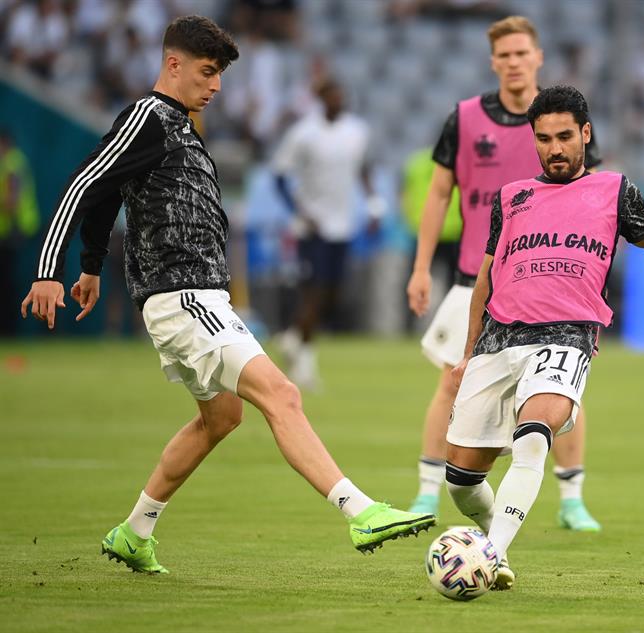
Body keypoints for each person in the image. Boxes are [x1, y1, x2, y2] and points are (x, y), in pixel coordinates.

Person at [20, 15, 434, 575]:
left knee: (221, 418)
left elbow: (110, 193)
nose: (215, 87)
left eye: (220, 76)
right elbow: (85, 182)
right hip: (182, 295)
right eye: (208, 72)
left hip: (199, 297)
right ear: (174, 65)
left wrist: (92, 266)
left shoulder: (181, 125)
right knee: (282, 394)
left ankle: (134, 531)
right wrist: (51, 269)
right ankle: (360, 511)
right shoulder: (148, 115)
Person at [446, 85, 644, 590]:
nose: (556, 148)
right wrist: (466, 353)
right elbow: (486, 278)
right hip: (498, 339)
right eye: (544, 138)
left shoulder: (614, 190)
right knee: (460, 480)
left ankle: (489, 555)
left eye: (565, 136)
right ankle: (492, 542)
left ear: (585, 134)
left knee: (533, 437)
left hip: (567, 336)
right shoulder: (512, 198)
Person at [406, 15, 603, 532]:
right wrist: (422, 266)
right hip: (477, 275)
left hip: (545, 279)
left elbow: (593, 196)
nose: (514, 63)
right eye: (505, 55)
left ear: (538, 57)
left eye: (523, 54)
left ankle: (572, 498)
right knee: (452, 382)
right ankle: (429, 491)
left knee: (559, 396)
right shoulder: (466, 118)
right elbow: (439, 193)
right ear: (494, 62)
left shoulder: (561, 119)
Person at [272, 77, 386, 390]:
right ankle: (305, 364)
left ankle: (293, 337)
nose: (339, 99)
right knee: (315, 291)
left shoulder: (356, 131)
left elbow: (363, 169)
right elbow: (280, 176)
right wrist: (300, 213)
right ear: (321, 99)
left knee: (333, 293)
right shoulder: (303, 133)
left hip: (343, 224)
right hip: (313, 227)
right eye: (332, 95)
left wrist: (374, 206)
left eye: (341, 94)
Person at [0, 129, 40, 337]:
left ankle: (10, 329)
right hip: (19, 229)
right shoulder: (15, 161)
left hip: (14, 231)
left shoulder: (11, 164)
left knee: (9, 284)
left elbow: (11, 202)